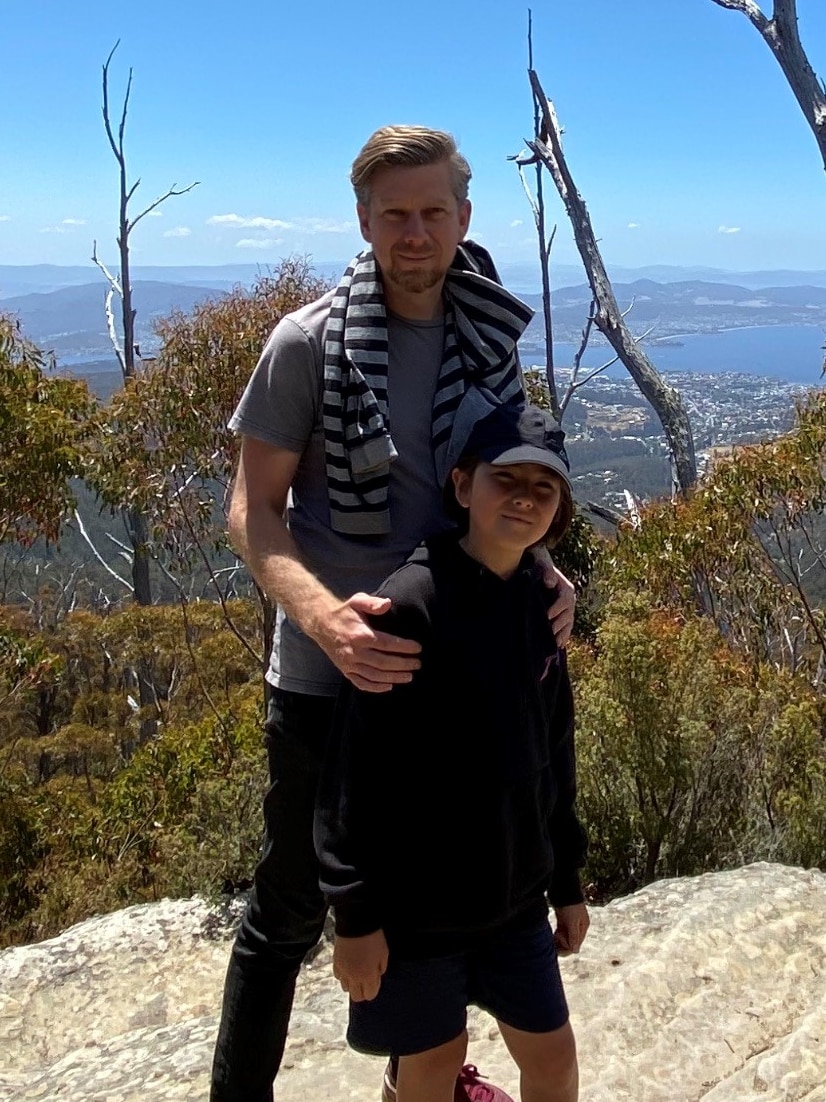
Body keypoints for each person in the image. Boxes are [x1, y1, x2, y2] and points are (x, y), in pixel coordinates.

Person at [211, 125, 577, 1102]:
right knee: (291, 906)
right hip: (333, 676)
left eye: (431, 212)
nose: (413, 233)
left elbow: (495, 476)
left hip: (457, 666)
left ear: (462, 215)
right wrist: (329, 622)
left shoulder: (488, 336)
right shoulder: (307, 343)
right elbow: (252, 510)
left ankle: (426, 1078)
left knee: (442, 897)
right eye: (393, 215)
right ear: (364, 222)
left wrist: (539, 566)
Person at [315, 397, 590, 1102]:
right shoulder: (412, 603)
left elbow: (555, 754)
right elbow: (354, 770)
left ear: (557, 513)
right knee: (431, 1068)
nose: (524, 501)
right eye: (507, 481)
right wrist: (355, 917)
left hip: (514, 902)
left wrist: (566, 883)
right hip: (417, 912)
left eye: (544, 489)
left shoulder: (542, 603)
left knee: (554, 1060)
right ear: (464, 487)